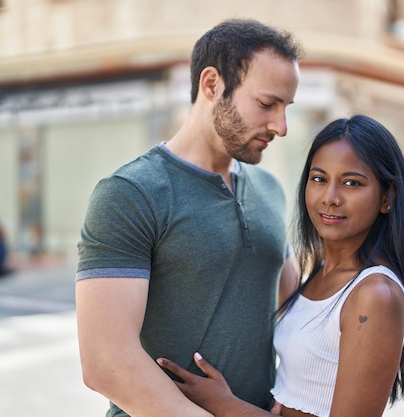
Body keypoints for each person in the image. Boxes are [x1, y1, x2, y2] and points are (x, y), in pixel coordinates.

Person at [75, 18, 303, 417]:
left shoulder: (270, 189)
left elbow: (296, 313)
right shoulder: (130, 194)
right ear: (211, 84)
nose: (280, 127)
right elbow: (106, 363)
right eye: (267, 104)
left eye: (286, 108)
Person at [158, 114, 404, 417]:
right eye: (319, 179)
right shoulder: (321, 274)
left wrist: (225, 405)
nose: (330, 198)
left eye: (351, 183)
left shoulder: (376, 295)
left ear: (386, 197)